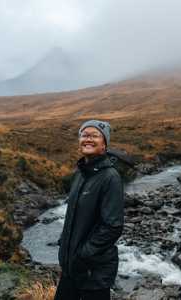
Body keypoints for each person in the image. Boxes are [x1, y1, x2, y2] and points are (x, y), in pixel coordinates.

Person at [55, 120, 124, 300]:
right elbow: (72, 218)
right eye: (84, 135)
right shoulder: (80, 173)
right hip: (71, 268)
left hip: (93, 272)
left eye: (95, 135)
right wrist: (64, 248)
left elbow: (112, 227)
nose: (88, 139)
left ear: (104, 144)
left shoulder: (110, 177)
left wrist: (82, 255)